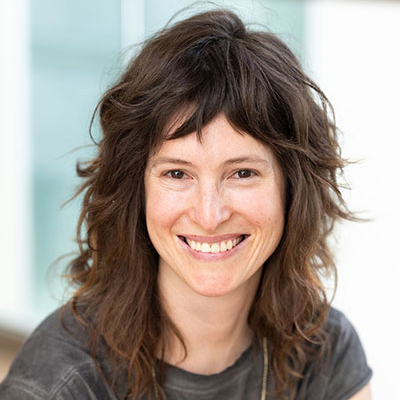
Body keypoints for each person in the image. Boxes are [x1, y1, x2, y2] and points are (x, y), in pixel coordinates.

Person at [0, 8, 372, 400]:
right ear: (136, 190)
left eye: (242, 173)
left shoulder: (325, 350)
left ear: (293, 190)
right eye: (177, 174)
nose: (209, 216)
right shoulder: (57, 382)